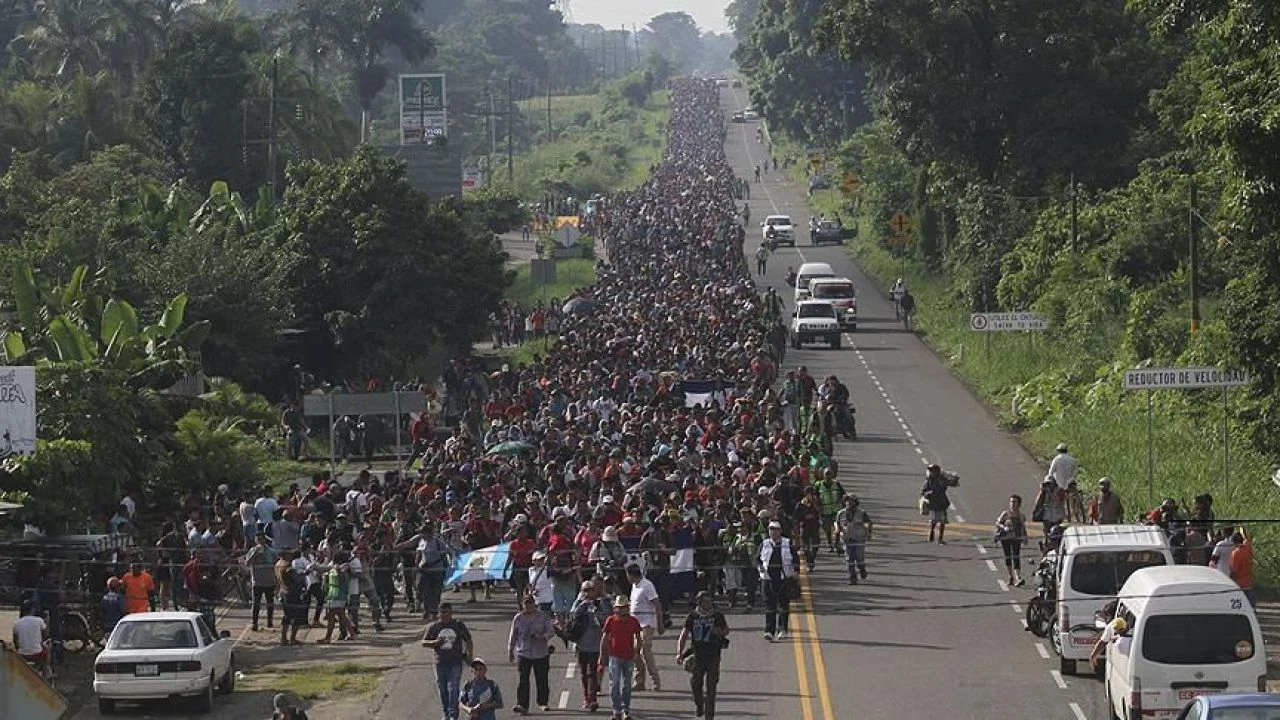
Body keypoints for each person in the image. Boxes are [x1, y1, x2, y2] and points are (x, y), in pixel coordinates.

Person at [676, 591, 730, 720]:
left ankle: (709, 716)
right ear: (699, 602)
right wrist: (679, 652)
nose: (707, 604)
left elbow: (726, 630)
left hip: (713, 655)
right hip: (698, 655)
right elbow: (683, 635)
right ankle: (699, 704)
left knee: (711, 686)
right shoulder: (693, 616)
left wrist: (719, 632)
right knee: (696, 683)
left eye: (709, 601)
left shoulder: (717, 615)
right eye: (704, 601)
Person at [423, 603, 473, 720]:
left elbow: (468, 640)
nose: (444, 614)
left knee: (454, 688)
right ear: (439, 613)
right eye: (442, 612)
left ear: (451, 613)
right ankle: (446, 712)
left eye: (447, 612)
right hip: (440, 663)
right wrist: (435, 643)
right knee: (443, 689)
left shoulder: (458, 625)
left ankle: (453, 714)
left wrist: (469, 655)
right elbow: (424, 642)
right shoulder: (434, 627)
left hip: (455, 662)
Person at [567, 580, 610, 711]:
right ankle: (586, 696)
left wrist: (597, 608)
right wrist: (582, 604)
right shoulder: (579, 603)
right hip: (581, 644)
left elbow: (606, 618)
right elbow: (572, 616)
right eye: (585, 590)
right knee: (583, 673)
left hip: (596, 644)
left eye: (590, 590)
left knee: (592, 672)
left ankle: (592, 700)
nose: (587, 593)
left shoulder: (600, 603)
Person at [508, 594, 554, 713]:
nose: (528, 606)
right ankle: (522, 704)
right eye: (525, 604)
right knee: (523, 679)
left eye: (530, 603)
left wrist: (541, 636)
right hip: (524, 652)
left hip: (541, 652)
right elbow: (513, 635)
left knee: (542, 679)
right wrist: (510, 650)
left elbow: (550, 631)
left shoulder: (543, 617)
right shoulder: (518, 618)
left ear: (534, 604)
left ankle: (543, 702)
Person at [599, 595, 642, 720]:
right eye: (619, 607)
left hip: (628, 656)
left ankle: (626, 708)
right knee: (615, 682)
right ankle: (616, 709)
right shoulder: (611, 620)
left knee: (627, 683)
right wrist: (602, 655)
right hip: (614, 656)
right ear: (616, 608)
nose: (622, 610)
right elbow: (605, 638)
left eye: (624, 607)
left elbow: (638, 638)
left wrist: (637, 652)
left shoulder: (633, 621)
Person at [757, 521, 798, 641]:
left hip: (783, 578)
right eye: (771, 529)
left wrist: (795, 571)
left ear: (780, 531)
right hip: (768, 578)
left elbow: (795, 558)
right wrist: (759, 566)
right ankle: (769, 630)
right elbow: (757, 559)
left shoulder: (787, 543)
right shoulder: (764, 544)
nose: (773, 531)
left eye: (775, 529)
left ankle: (782, 630)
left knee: (783, 606)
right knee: (770, 606)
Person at [625, 563, 663, 691]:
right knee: (635, 653)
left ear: (631, 575)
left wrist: (660, 623)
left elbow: (657, 604)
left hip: (647, 624)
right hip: (635, 625)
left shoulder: (647, 586)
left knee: (645, 651)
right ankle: (639, 681)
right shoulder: (635, 586)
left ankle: (655, 681)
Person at [835, 495, 872, 585]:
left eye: (851, 501)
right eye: (847, 501)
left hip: (859, 538)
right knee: (849, 559)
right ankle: (853, 578)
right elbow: (838, 526)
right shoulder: (840, 513)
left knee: (859, 558)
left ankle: (862, 568)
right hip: (847, 539)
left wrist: (868, 532)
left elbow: (869, 522)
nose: (849, 503)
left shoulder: (861, 513)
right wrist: (836, 542)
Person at [246, 533, 278, 631]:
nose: (260, 541)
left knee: (270, 602)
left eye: (262, 539)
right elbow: (247, 563)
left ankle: (269, 621)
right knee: (256, 603)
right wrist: (255, 554)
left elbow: (276, 563)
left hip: (269, 581)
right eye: (258, 539)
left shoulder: (271, 551)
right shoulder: (252, 551)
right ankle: (254, 623)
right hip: (257, 581)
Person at [994, 494, 1027, 587]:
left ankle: (1018, 577)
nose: (1012, 504)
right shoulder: (1005, 514)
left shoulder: (1021, 515)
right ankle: (1010, 576)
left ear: (1019, 504)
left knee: (1016, 556)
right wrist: (1003, 527)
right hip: (1006, 538)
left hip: (1016, 538)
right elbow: (997, 523)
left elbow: (1022, 527)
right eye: (1011, 502)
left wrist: (1025, 537)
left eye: (1015, 502)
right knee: (1008, 557)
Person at [12, 599, 50, 678]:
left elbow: (15, 641)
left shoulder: (17, 623)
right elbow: (46, 635)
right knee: (48, 647)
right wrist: (47, 621)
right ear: (33, 609)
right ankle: (45, 671)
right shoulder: (39, 620)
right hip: (37, 654)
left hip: (22, 654)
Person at [920, 464, 957, 544]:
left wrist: (953, 479)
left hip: (941, 503)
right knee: (934, 521)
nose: (930, 472)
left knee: (943, 522)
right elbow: (923, 491)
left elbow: (950, 483)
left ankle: (940, 538)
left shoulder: (941, 480)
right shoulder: (929, 480)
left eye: (932, 471)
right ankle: (931, 532)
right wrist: (928, 493)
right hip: (934, 503)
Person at [1229, 527, 1255, 607]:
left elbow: (1234, 572)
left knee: (1239, 607)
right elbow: (1246, 537)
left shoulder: (1236, 554)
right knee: (1250, 607)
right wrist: (1241, 527)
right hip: (1249, 583)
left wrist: (1229, 582)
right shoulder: (1248, 548)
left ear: (1234, 542)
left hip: (1239, 585)